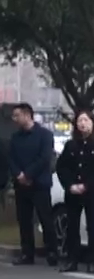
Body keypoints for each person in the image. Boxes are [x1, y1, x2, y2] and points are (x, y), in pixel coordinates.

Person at [54, 110, 94, 273]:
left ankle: (92, 260)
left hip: (92, 192)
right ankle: (72, 259)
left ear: (92, 123)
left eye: (86, 120)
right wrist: (70, 185)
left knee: (92, 226)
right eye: (80, 121)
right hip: (73, 192)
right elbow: (62, 167)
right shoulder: (71, 145)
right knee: (72, 226)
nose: (82, 124)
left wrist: (86, 185)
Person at [7, 103, 58, 267]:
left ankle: (52, 251)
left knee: (45, 218)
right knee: (24, 220)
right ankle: (27, 253)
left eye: (17, 115)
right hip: (21, 185)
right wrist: (18, 175)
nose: (14, 119)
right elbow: (11, 158)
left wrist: (28, 174)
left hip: (40, 183)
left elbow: (44, 158)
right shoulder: (15, 137)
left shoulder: (45, 135)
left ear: (27, 115)